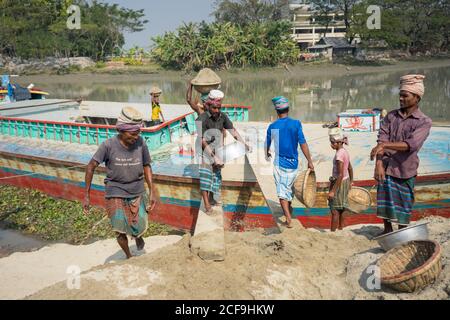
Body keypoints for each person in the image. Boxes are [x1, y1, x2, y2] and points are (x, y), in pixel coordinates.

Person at [83, 106, 157, 259]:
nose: (136, 137)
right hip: (115, 191)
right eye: (133, 133)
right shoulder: (108, 146)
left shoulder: (141, 143)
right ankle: (129, 256)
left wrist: (152, 191)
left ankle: (137, 236)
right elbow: (90, 167)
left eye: (138, 133)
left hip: (137, 190)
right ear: (122, 131)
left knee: (139, 226)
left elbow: (146, 165)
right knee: (119, 229)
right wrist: (86, 195)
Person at [370, 74, 432, 235]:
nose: (401, 99)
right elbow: (381, 139)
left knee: (404, 204)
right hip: (386, 166)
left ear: (417, 97)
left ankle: (401, 232)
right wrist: (378, 164)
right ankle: (387, 229)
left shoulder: (423, 121)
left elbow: (411, 145)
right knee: (384, 201)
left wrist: (384, 145)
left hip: (405, 169)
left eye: (405, 96)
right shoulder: (391, 116)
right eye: (400, 95)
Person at [196, 89, 250, 214]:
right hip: (205, 150)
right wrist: (213, 157)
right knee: (205, 176)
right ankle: (207, 205)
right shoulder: (201, 119)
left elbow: (233, 131)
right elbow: (202, 140)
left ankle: (212, 198)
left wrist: (243, 143)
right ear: (208, 105)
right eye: (214, 108)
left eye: (219, 108)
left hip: (217, 150)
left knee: (216, 176)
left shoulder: (223, 116)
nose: (217, 111)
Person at [265, 96, 314, 228]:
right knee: (288, 189)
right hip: (294, 164)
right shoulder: (296, 124)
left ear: (277, 111)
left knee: (282, 192)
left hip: (280, 164)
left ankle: (287, 217)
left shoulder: (273, 126)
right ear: (288, 109)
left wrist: (267, 153)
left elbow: (268, 143)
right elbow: (303, 143)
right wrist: (309, 161)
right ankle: (289, 210)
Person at [328, 128, 353, 232]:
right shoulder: (344, 152)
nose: (331, 145)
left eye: (332, 143)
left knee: (334, 210)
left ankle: (333, 232)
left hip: (339, 183)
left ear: (338, 142)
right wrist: (351, 181)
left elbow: (340, 174)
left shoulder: (339, 155)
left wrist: (333, 191)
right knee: (342, 208)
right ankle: (340, 228)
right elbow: (350, 168)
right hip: (345, 182)